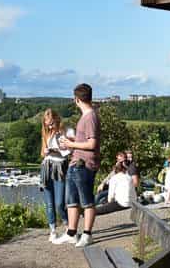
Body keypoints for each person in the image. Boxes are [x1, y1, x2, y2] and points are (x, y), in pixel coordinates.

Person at [53, 83, 101, 248]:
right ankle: (71, 233)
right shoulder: (86, 117)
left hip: (85, 164)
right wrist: (71, 142)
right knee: (71, 200)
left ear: (77, 99)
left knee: (87, 201)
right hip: (76, 162)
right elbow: (86, 142)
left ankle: (87, 234)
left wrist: (71, 145)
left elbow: (92, 143)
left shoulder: (90, 117)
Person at [38, 109, 69, 242]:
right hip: (46, 167)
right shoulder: (45, 133)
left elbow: (68, 152)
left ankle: (69, 227)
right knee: (49, 204)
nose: (50, 126)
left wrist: (56, 151)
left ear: (57, 119)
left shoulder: (64, 132)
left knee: (59, 203)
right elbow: (42, 154)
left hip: (59, 167)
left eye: (51, 123)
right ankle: (52, 231)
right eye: (47, 124)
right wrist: (46, 151)